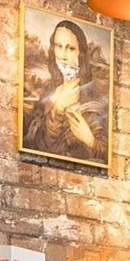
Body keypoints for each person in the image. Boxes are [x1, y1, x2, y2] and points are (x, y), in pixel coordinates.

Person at [24, 18, 104, 163]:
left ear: (80, 52)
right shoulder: (46, 91)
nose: (63, 55)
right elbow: (34, 144)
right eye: (58, 46)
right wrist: (58, 109)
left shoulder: (93, 95)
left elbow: (105, 151)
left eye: (71, 48)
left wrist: (91, 141)